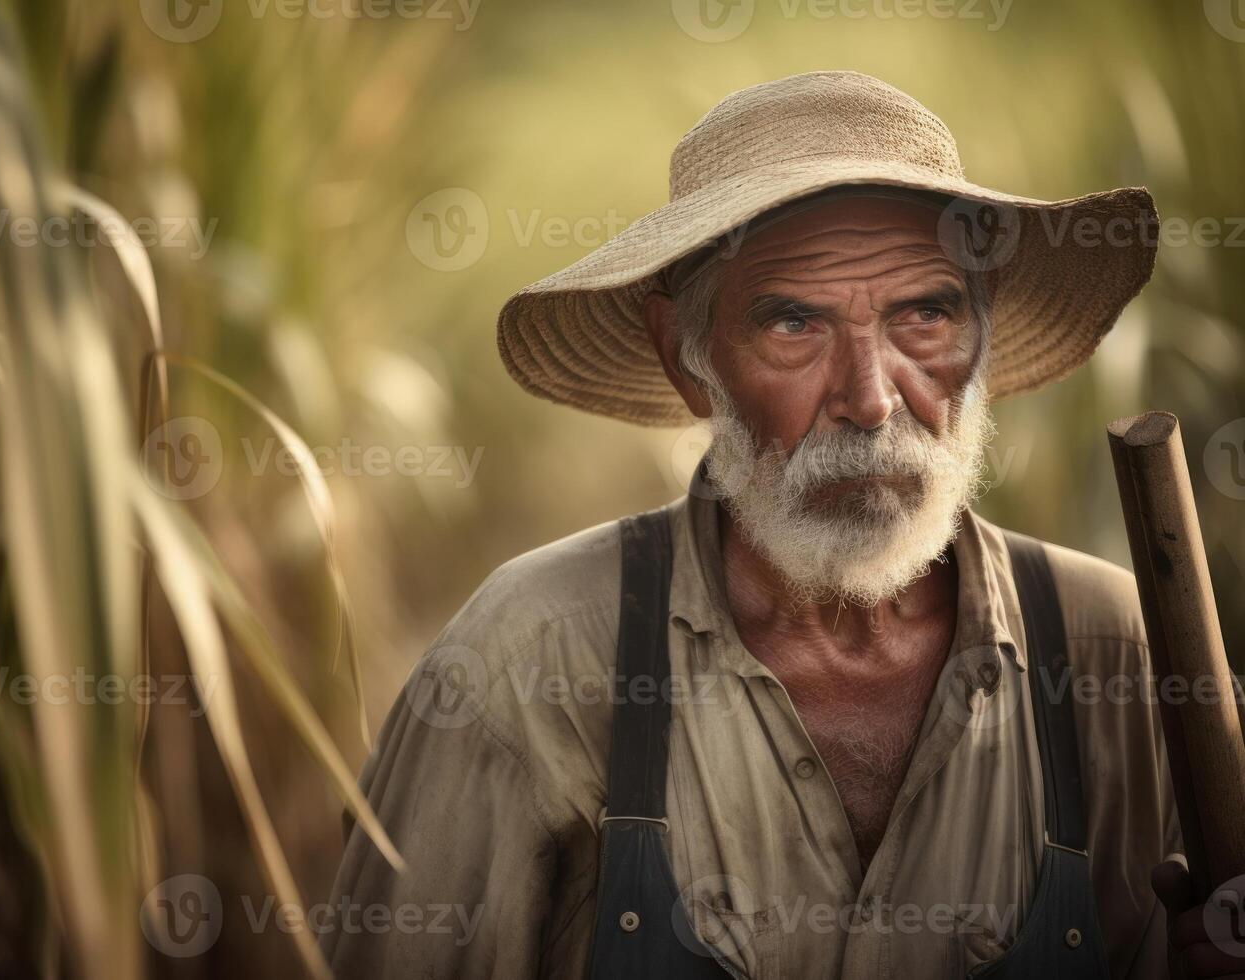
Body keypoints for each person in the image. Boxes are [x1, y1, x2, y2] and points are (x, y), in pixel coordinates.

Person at [323, 71, 1234, 979]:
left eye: (925, 313)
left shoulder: (1116, 651)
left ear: (981, 338)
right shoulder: (528, 664)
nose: (872, 400)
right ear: (686, 357)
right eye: (795, 322)